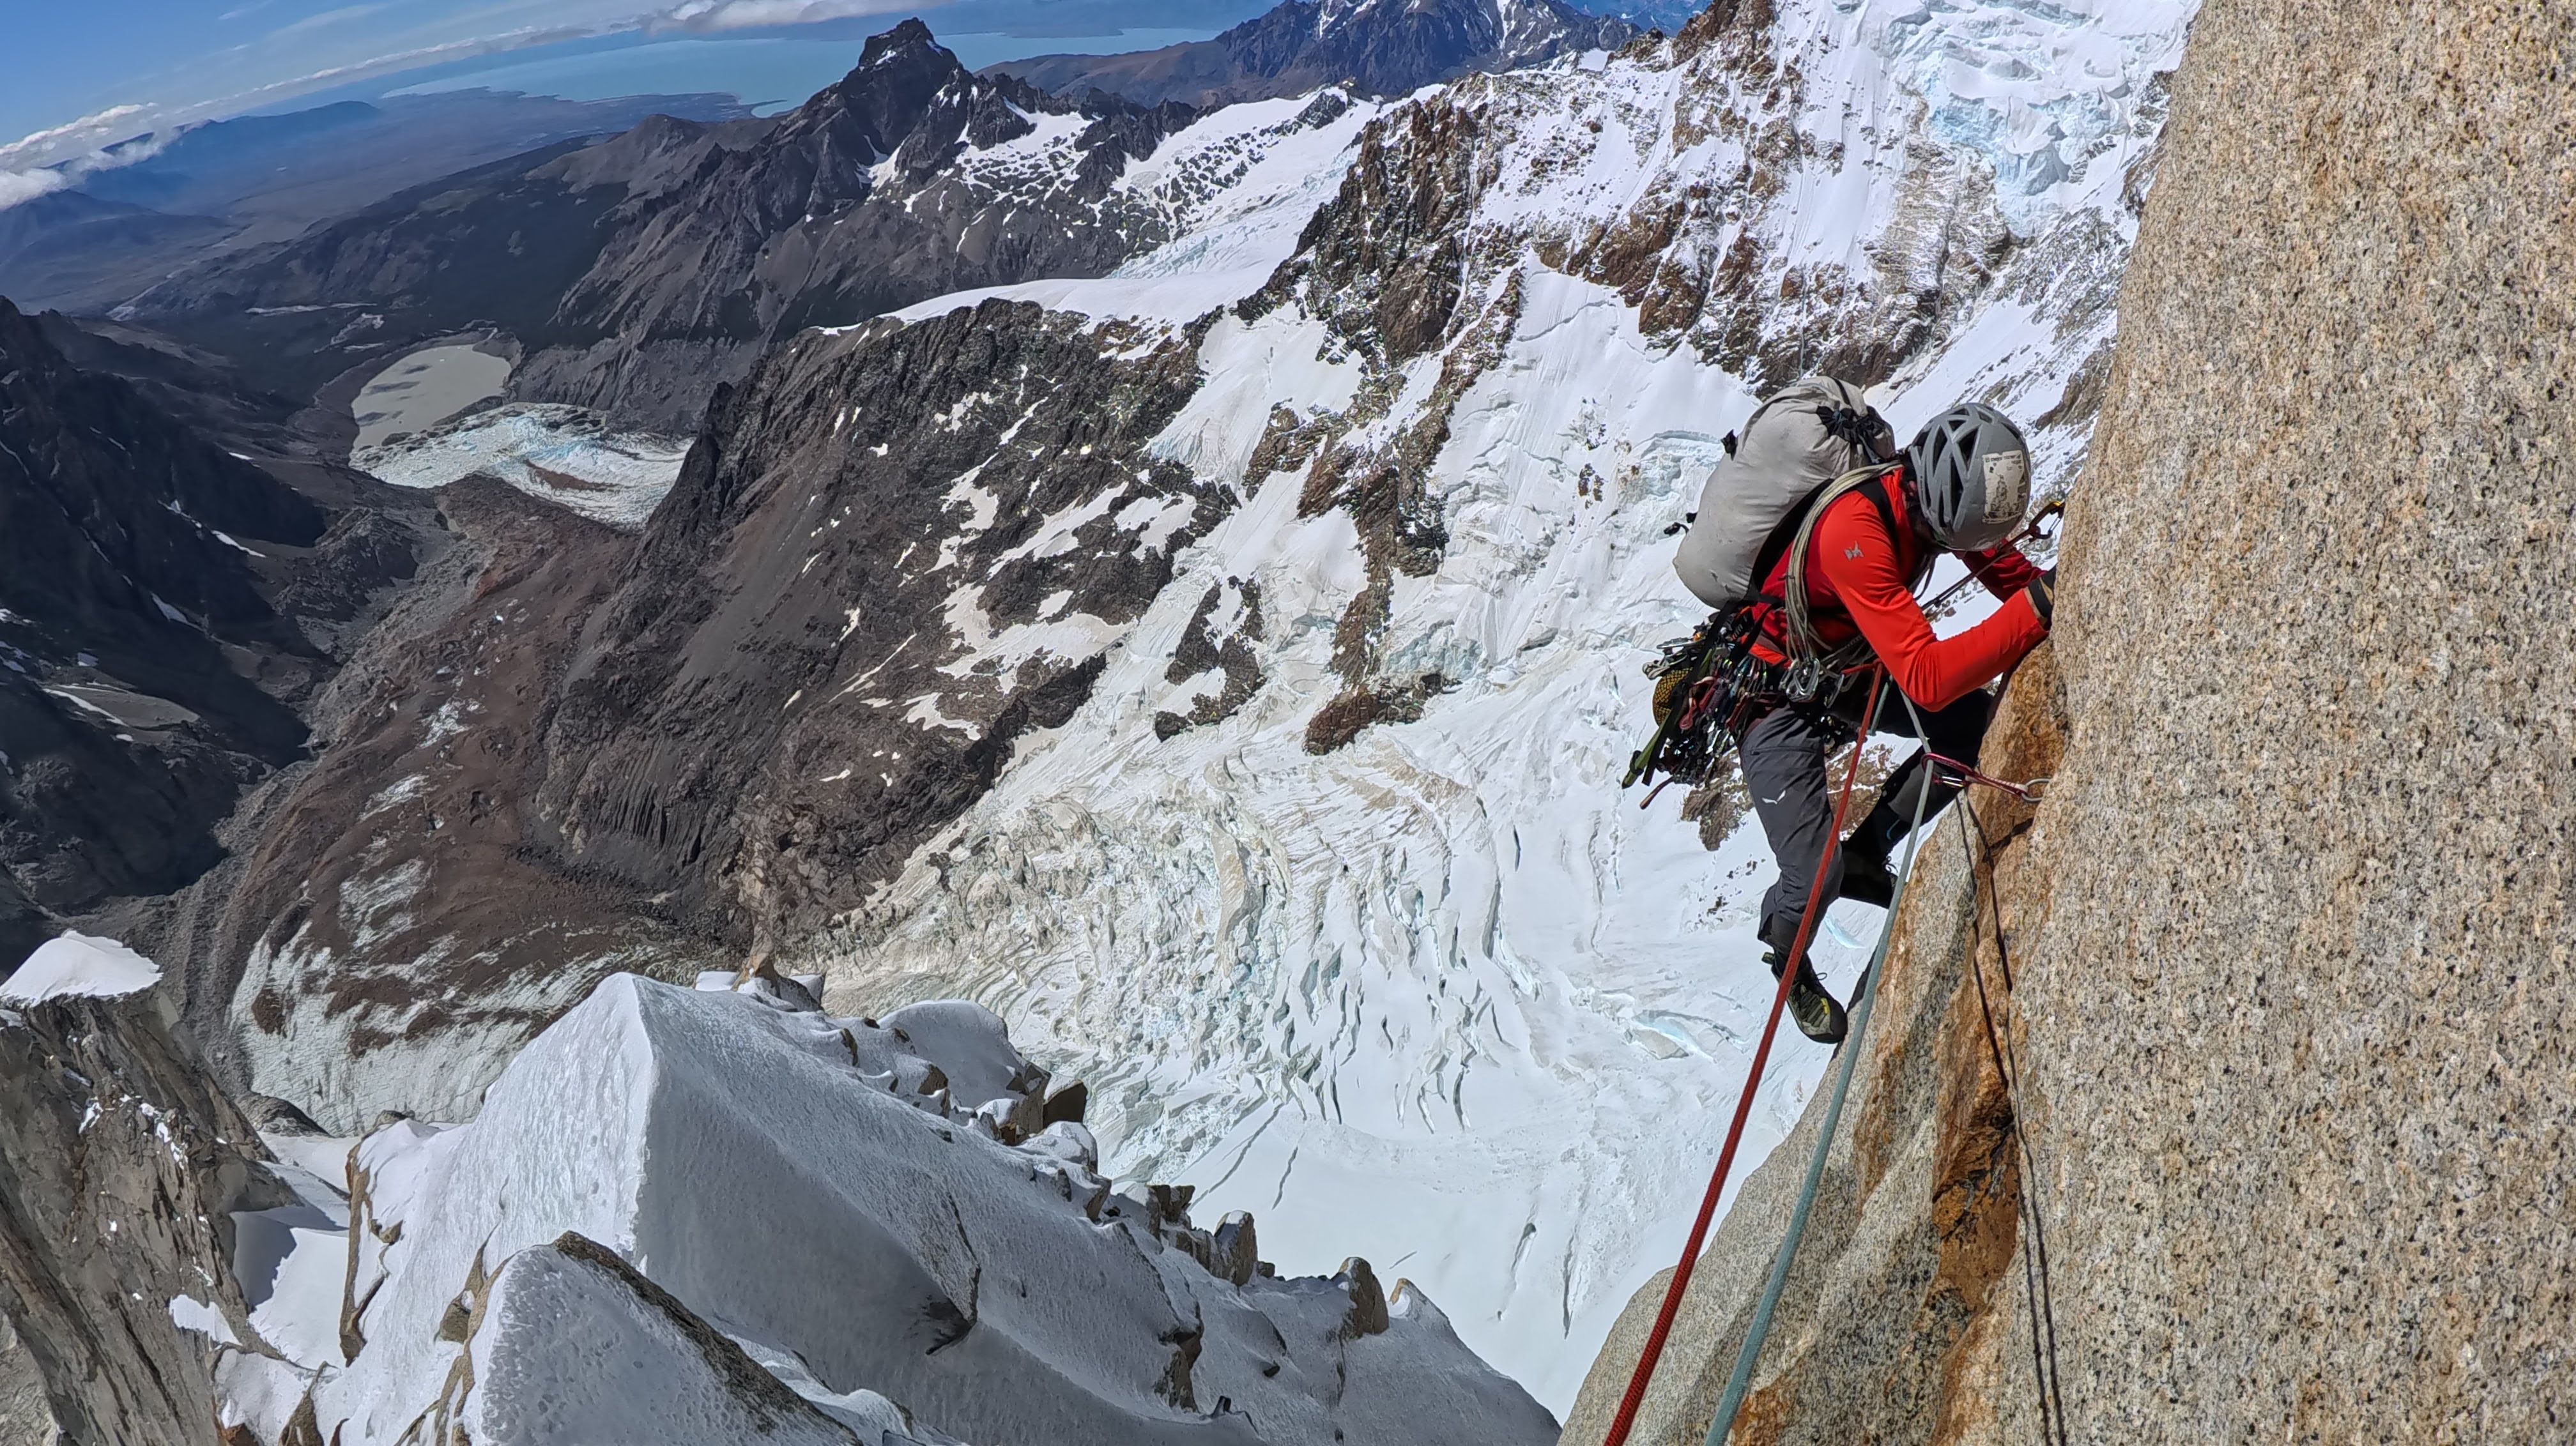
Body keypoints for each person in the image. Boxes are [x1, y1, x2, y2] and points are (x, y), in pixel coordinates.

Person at [1736, 402, 2054, 1044]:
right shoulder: (1856, 529)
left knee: (1971, 729)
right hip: (1772, 694)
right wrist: (2041, 607)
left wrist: (2042, 588)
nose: (1965, 549)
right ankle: (1788, 960)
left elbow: (2005, 573)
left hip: (1843, 669)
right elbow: (1928, 676)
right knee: (1812, 875)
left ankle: (1868, 854)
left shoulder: (1938, 502)